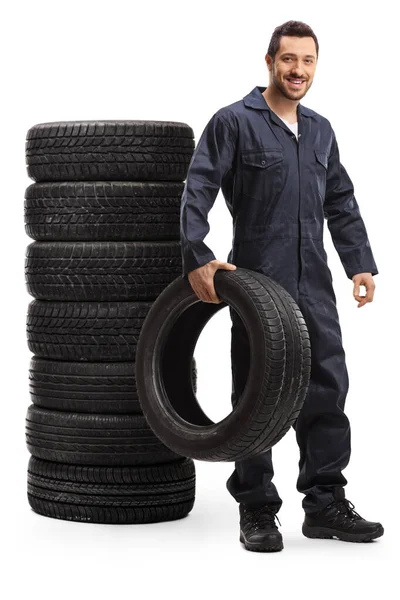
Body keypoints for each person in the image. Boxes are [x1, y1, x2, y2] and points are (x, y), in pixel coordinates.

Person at [179, 19, 384, 552]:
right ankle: (256, 509)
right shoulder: (233, 122)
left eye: (308, 61)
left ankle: (325, 503)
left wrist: (359, 263)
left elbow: (339, 199)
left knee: (327, 389)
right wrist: (198, 256)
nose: (298, 70)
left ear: (316, 65)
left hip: (315, 281)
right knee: (257, 393)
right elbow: (198, 186)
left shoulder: (320, 129)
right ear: (270, 61)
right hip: (258, 282)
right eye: (289, 60)